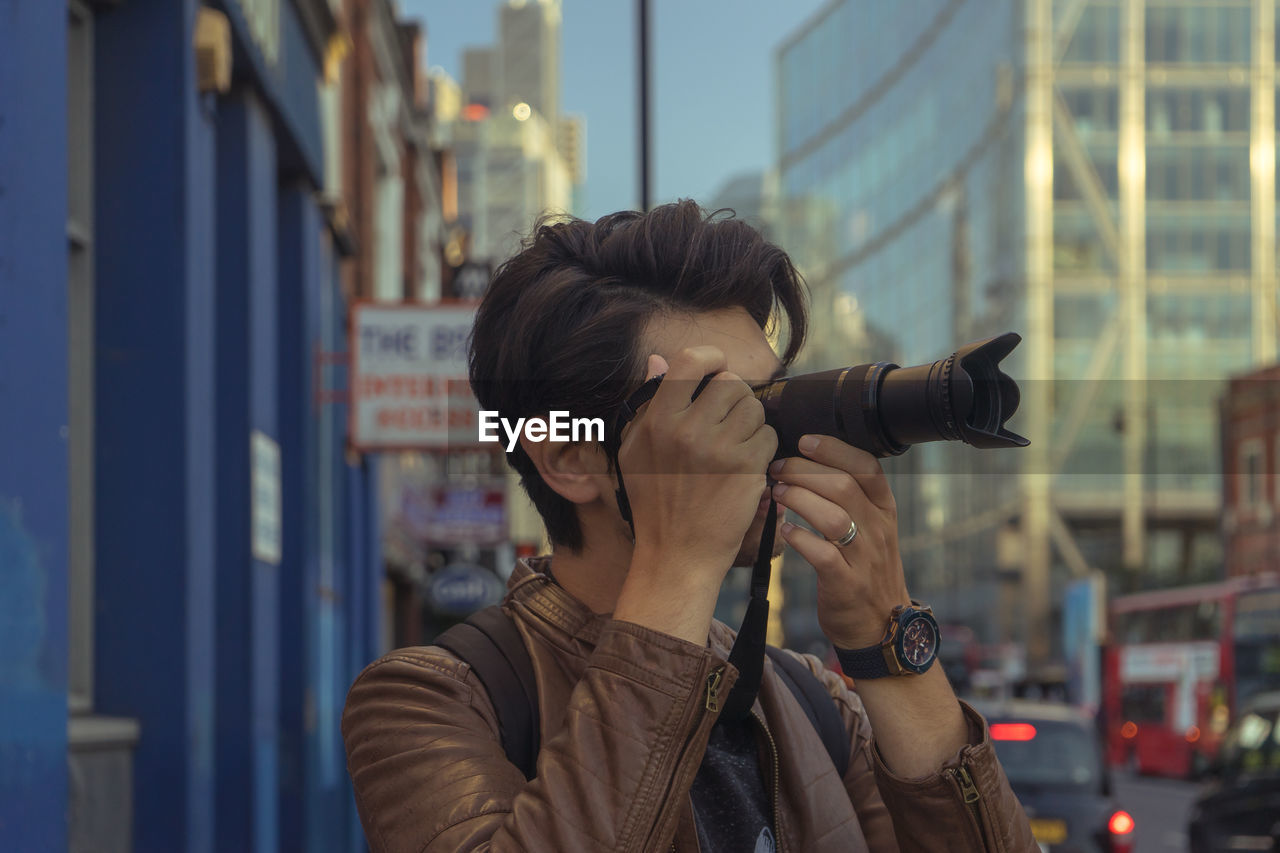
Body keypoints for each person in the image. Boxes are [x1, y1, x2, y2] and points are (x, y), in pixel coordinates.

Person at [342, 201, 1038, 852]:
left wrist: (886, 642)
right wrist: (676, 567)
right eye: (715, 407)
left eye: (767, 403)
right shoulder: (430, 702)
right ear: (569, 456)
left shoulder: (807, 701)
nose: (763, 444)